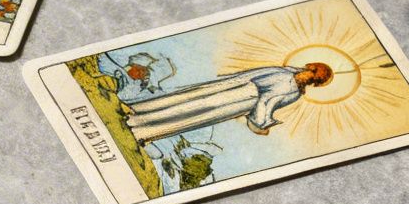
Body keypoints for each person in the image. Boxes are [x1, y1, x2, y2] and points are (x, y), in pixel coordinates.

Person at [125, 63, 333, 143]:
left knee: (195, 112)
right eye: (311, 70)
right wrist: (262, 123)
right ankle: (136, 109)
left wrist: (263, 123)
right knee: (187, 98)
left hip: (240, 100)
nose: (309, 75)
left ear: (314, 81)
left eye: (314, 77)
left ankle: (141, 129)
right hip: (233, 87)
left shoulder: (293, 92)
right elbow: (256, 75)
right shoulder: (285, 71)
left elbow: (267, 102)